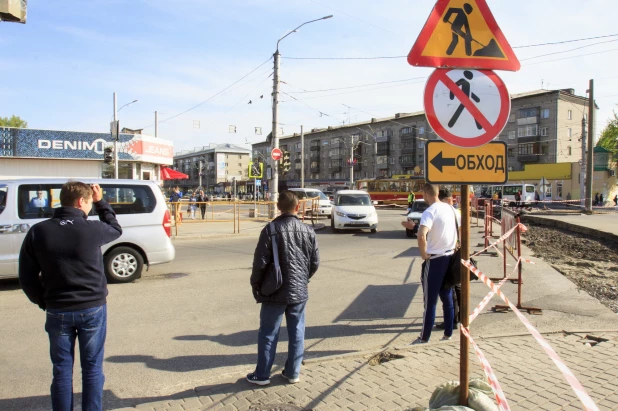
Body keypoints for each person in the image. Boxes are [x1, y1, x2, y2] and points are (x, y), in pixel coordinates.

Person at [19, 182, 122, 411]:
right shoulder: (93, 229)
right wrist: (101, 202)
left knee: (62, 370)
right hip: (92, 307)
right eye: (88, 203)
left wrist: (43, 301)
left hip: (57, 309)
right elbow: (115, 228)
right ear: (81, 202)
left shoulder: (40, 231)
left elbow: (26, 276)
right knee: (93, 368)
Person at [247, 191, 320, 386]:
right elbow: (315, 263)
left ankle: (262, 375)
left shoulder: (270, 229)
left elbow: (259, 263)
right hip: (299, 291)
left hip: (273, 291)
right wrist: (303, 279)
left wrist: (256, 285)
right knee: (297, 332)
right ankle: (293, 373)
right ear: (297, 208)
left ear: (278, 207)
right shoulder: (308, 231)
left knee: (269, 333)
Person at [410, 184, 458, 345]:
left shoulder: (429, 212)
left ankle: (424, 337)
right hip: (450, 257)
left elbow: (422, 236)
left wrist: (424, 255)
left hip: (435, 259)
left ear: (425, 194)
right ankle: (448, 333)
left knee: (430, 302)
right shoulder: (451, 209)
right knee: (447, 297)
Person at [435, 189, 461, 331]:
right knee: (457, 287)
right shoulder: (455, 212)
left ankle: (453, 320)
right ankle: (459, 318)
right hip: (457, 251)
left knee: (449, 288)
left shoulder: (446, 212)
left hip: (450, 253)